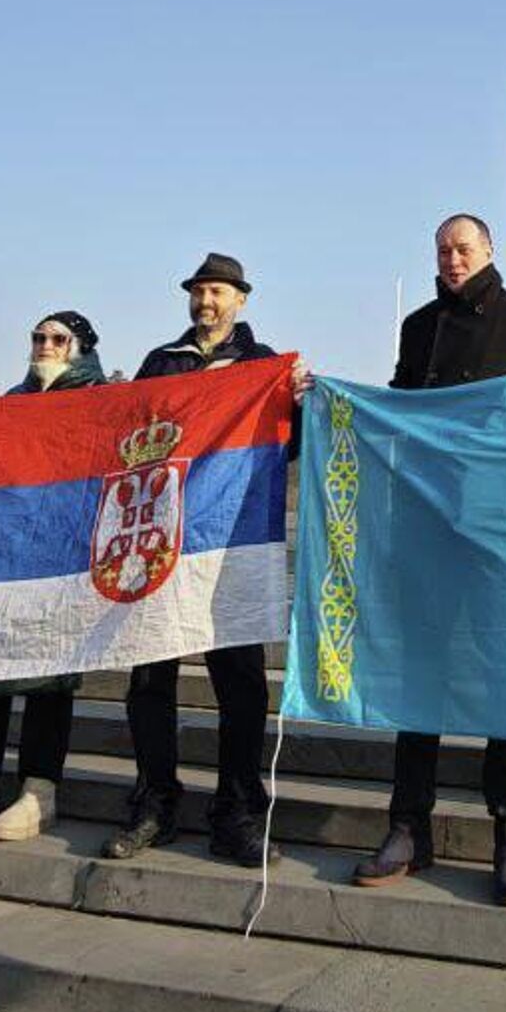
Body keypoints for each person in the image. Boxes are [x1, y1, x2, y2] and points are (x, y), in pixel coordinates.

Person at [354, 213, 506, 907]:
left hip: (501, 531)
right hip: (428, 527)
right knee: (419, 676)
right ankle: (407, 825)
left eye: (463, 249)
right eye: (443, 250)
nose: (453, 260)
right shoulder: (418, 327)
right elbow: (400, 410)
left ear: (488, 251)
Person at [101, 253, 305, 872]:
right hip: (160, 542)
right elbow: (125, 438)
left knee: (239, 684)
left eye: (216, 292)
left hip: (230, 547)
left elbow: (285, 450)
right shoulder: (161, 364)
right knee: (149, 681)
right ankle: (155, 800)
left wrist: (294, 405)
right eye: (198, 292)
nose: (205, 302)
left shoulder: (264, 367)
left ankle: (237, 810)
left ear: (241, 300)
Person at [0, 310, 105, 842]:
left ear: (80, 346)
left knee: (51, 676)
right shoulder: (13, 399)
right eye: (38, 337)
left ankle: (38, 789)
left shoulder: (100, 399)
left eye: (57, 338)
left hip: (64, 552)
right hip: (7, 550)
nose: (45, 345)